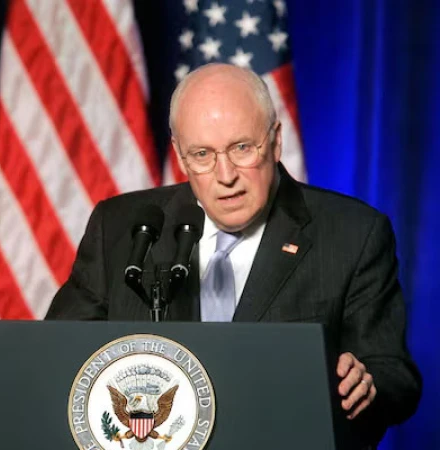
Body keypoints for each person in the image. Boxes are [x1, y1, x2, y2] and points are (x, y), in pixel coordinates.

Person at [45, 64, 421, 446]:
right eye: (202, 154)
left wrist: (366, 385)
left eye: (242, 148)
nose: (225, 175)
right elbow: (56, 356)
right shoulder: (122, 228)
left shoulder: (352, 233)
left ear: (275, 141)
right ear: (180, 156)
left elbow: (395, 375)